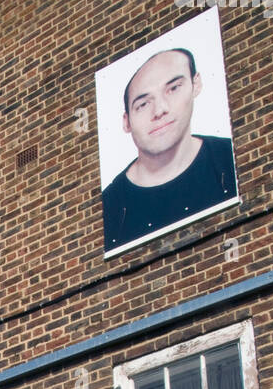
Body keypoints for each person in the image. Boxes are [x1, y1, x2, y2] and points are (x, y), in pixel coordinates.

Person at [101, 47, 237, 253]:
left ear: (195, 84)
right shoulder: (110, 206)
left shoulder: (230, 157)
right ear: (126, 122)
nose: (160, 110)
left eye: (173, 88)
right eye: (143, 104)